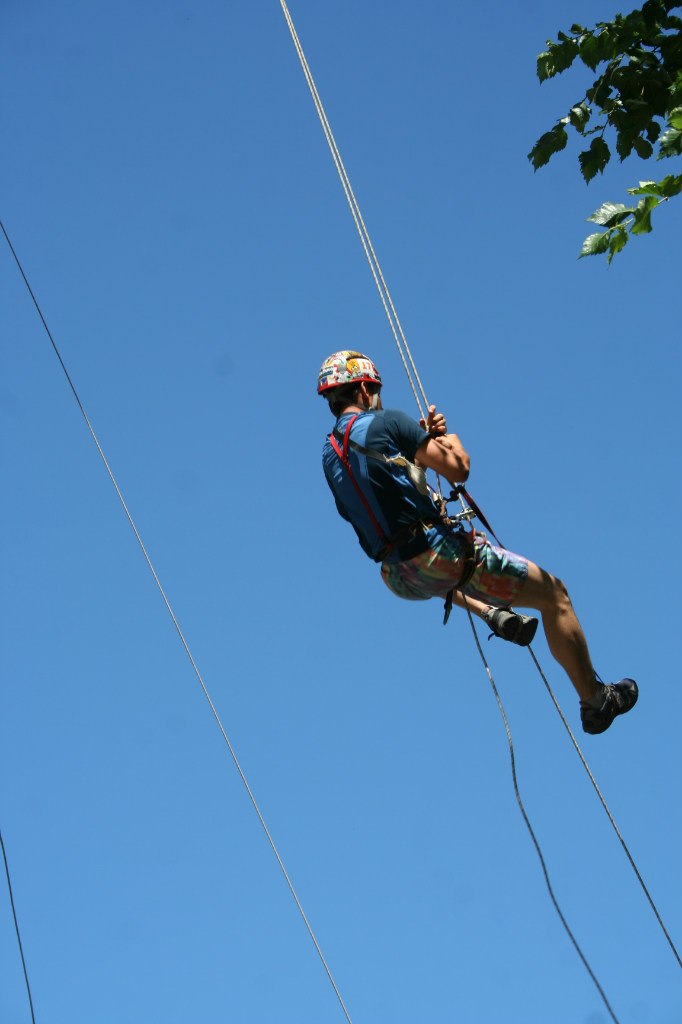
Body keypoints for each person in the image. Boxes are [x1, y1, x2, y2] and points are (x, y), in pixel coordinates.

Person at [319, 350, 638, 735]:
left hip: (398, 577)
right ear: (367, 389)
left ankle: (489, 611)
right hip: (440, 557)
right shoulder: (389, 422)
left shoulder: (330, 455)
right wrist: (446, 439)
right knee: (557, 596)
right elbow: (459, 469)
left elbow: (378, 501)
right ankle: (595, 700)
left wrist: (416, 448)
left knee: (444, 571)